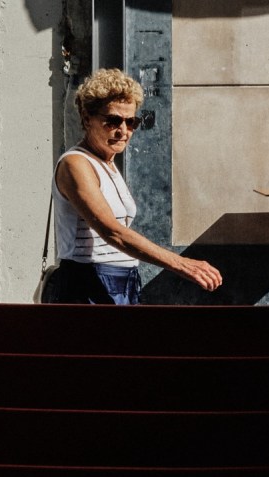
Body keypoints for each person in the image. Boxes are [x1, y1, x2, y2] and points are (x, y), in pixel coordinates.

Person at [44, 68, 224, 304]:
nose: (123, 131)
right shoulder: (76, 164)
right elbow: (113, 232)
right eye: (113, 121)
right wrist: (180, 263)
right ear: (87, 119)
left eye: (131, 122)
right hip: (87, 282)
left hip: (122, 281)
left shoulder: (107, 163)